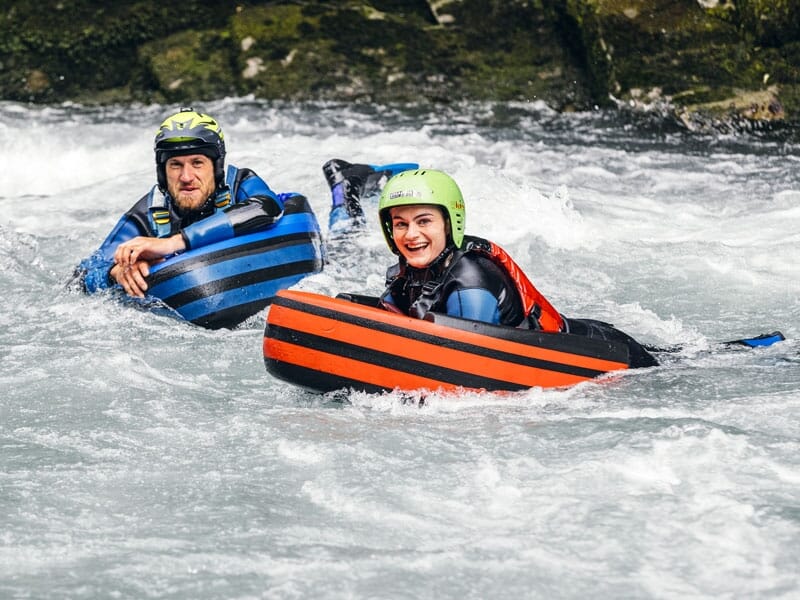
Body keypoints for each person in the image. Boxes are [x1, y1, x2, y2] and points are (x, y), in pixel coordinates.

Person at [369, 168, 659, 368]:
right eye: (400, 224)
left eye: (423, 221)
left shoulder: (470, 277)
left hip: (606, 349)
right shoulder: (404, 277)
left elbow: (471, 360)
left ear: (448, 223)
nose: (411, 234)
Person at [73, 107, 312, 298]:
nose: (186, 177)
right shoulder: (148, 212)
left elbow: (267, 207)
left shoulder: (240, 184)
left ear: (216, 167)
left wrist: (172, 244)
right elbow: (81, 276)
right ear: (162, 172)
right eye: (175, 165)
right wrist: (116, 272)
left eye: (197, 163)